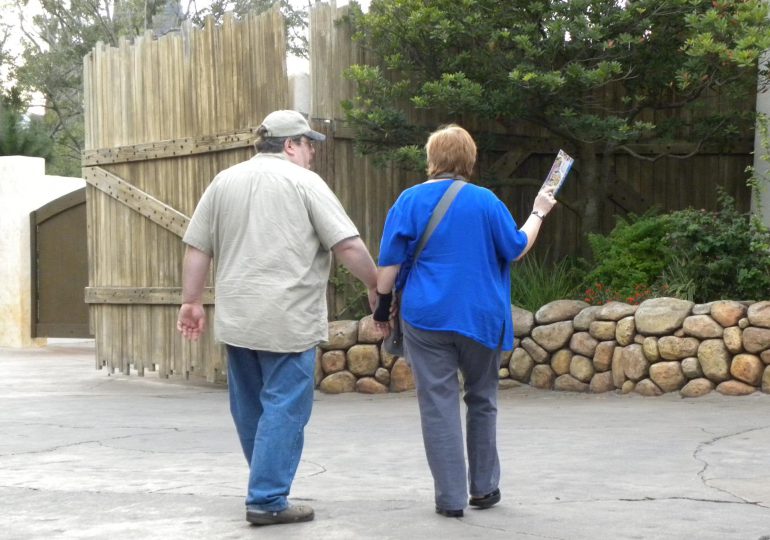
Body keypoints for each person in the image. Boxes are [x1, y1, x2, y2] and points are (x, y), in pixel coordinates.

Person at [177, 110, 379, 526]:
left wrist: (191, 302)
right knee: (285, 408)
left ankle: (263, 483)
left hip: (238, 317)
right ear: (290, 145)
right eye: (309, 145)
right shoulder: (305, 183)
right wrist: (378, 286)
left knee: (251, 408)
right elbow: (347, 246)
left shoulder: (223, 181)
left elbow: (198, 248)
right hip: (288, 319)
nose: (312, 155)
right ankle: (267, 498)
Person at [372, 124, 557, 518]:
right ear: (470, 160)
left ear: (431, 159)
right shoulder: (487, 202)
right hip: (481, 316)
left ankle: (450, 499)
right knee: (482, 399)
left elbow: (386, 272)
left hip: (427, 318)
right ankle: (485, 489)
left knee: (437, 404)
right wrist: (539, 212)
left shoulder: (408, 200)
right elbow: (517, 247)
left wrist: (380, 312)